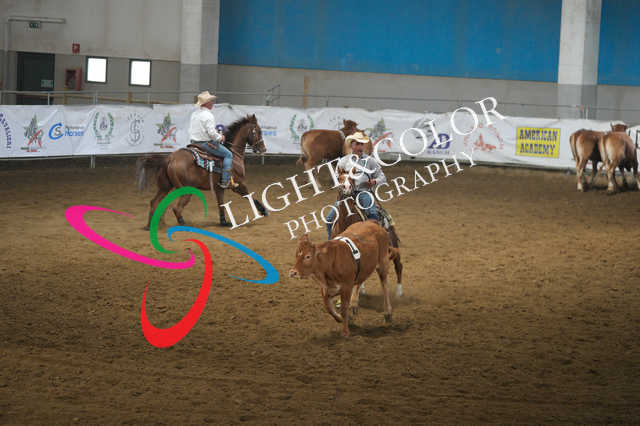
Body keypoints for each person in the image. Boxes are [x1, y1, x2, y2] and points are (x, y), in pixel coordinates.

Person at [325, 131, 387, 239]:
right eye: (357, 144)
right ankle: (331, 241)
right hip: (346, 195)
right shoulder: (343, 161)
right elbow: (337, 177)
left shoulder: (370, 161)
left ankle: (375, 239)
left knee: (372, 214)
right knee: (329, 219)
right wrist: (342, 182)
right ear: (352, 145)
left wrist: (374, 182)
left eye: (361, 144)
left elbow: (382, 177)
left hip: (364, 192)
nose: (360, 147)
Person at [189, 90, 233, 189]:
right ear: (207, 103)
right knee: (228, 155)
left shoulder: (195, 114)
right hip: (205, 144)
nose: (212, 102)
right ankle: (225, 181)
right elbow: (211, 133)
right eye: (211, 101)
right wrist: (220, 137)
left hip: (193, 143)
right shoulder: (208, 115)